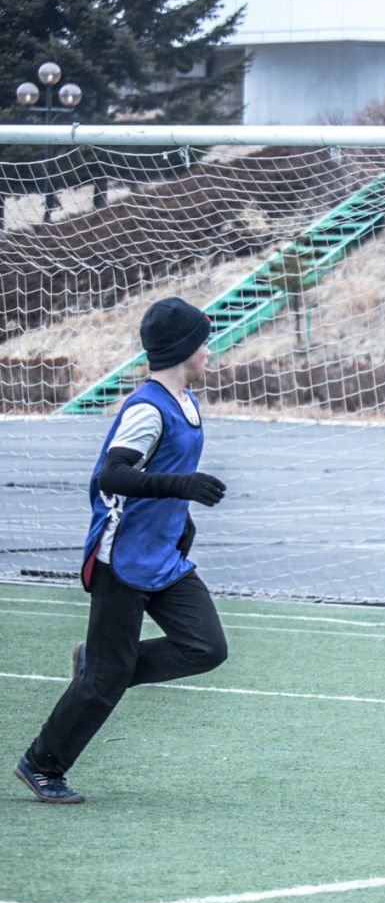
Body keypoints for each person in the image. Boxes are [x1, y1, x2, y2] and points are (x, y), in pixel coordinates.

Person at [15, 297, 230, 803]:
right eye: (202, 342)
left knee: (206, 647)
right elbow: (112, 475)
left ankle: (98, 662)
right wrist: (181, 488)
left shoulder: (186, 402)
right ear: (184, 350)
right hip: (123, 559)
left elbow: (163, 472)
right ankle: (41, 764)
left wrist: (182, 518)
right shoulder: (146, 409)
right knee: (105, 681)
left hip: (163, 556)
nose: (208, 350)